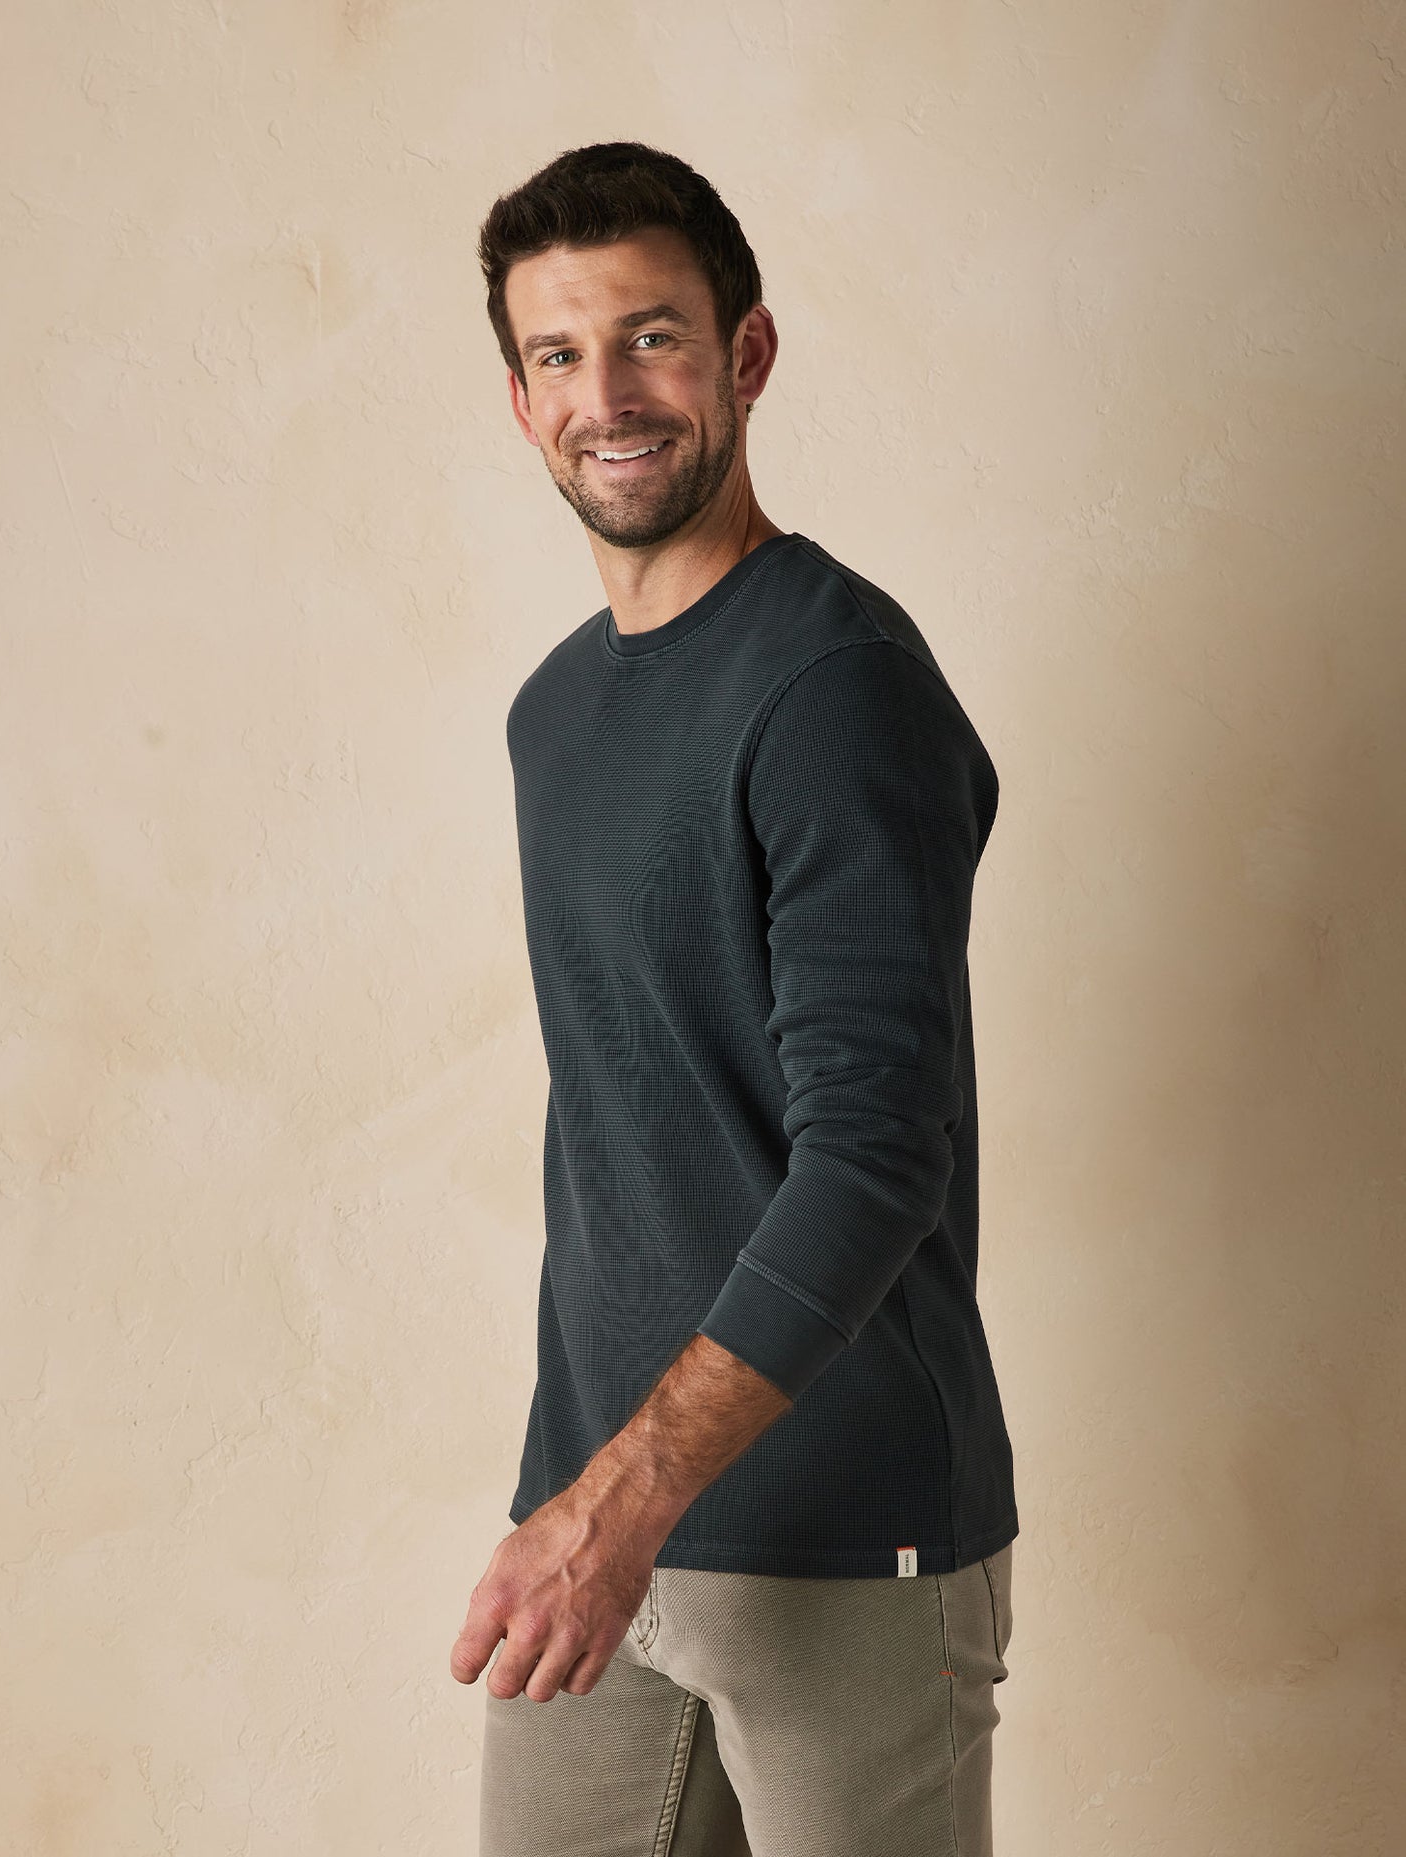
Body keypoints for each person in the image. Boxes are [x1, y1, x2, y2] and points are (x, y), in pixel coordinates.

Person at [454, 141, 1019, 1857]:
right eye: (559, 354)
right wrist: (587, 1502)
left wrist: (619, 1505)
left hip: (844, 1536)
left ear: (745, 353)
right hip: (596, 1526)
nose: (607, 396)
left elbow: (871, 1157)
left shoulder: (837, 687)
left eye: (652, 337)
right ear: (519, 399)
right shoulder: (553, 714)